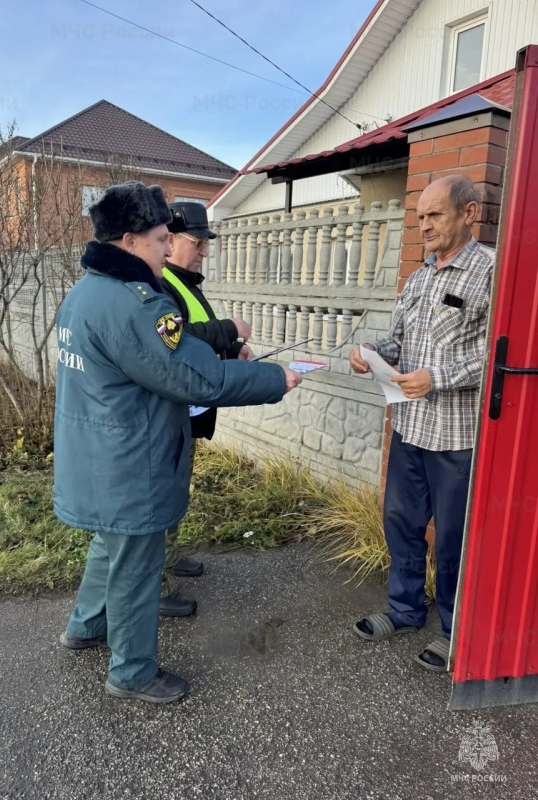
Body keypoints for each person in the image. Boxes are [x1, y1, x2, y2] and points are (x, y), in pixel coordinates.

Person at [54, 181, 302, 704]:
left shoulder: (83, 294)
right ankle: (132, 672)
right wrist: (275, 380)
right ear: (128, 240)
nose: (171, 247)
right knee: (137, 567)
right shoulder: (136, 304)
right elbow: (198, 380)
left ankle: (84, 626)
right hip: (130, 462)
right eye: (161, 238)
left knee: (110, 545)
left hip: (98, 456)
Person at [349, 174, 494, 672]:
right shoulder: (419, 277)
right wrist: (372, 352)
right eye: (420, 217)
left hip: (456, 438)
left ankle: (457, 634)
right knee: (401, 524)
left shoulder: (492, 272)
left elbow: (500, 354)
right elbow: (399, 339)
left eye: (434, 215)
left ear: (469, 213)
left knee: (453, 538)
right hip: (409, 429)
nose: (424, 226)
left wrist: (440, 377)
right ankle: (405, 609)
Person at [158, 201, 254, 618]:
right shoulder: (159, 285)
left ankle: (170, 555)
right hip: (171, 412)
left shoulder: (186, 283)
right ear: (170, 241)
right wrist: (229, 330)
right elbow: (171, 336)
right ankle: (156, 584)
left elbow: (197, 334)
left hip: (191, 409)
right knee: (163, 495)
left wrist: (232, 348)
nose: (203, 251)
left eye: (204, 243)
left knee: (178, 489)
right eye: (196, 242)